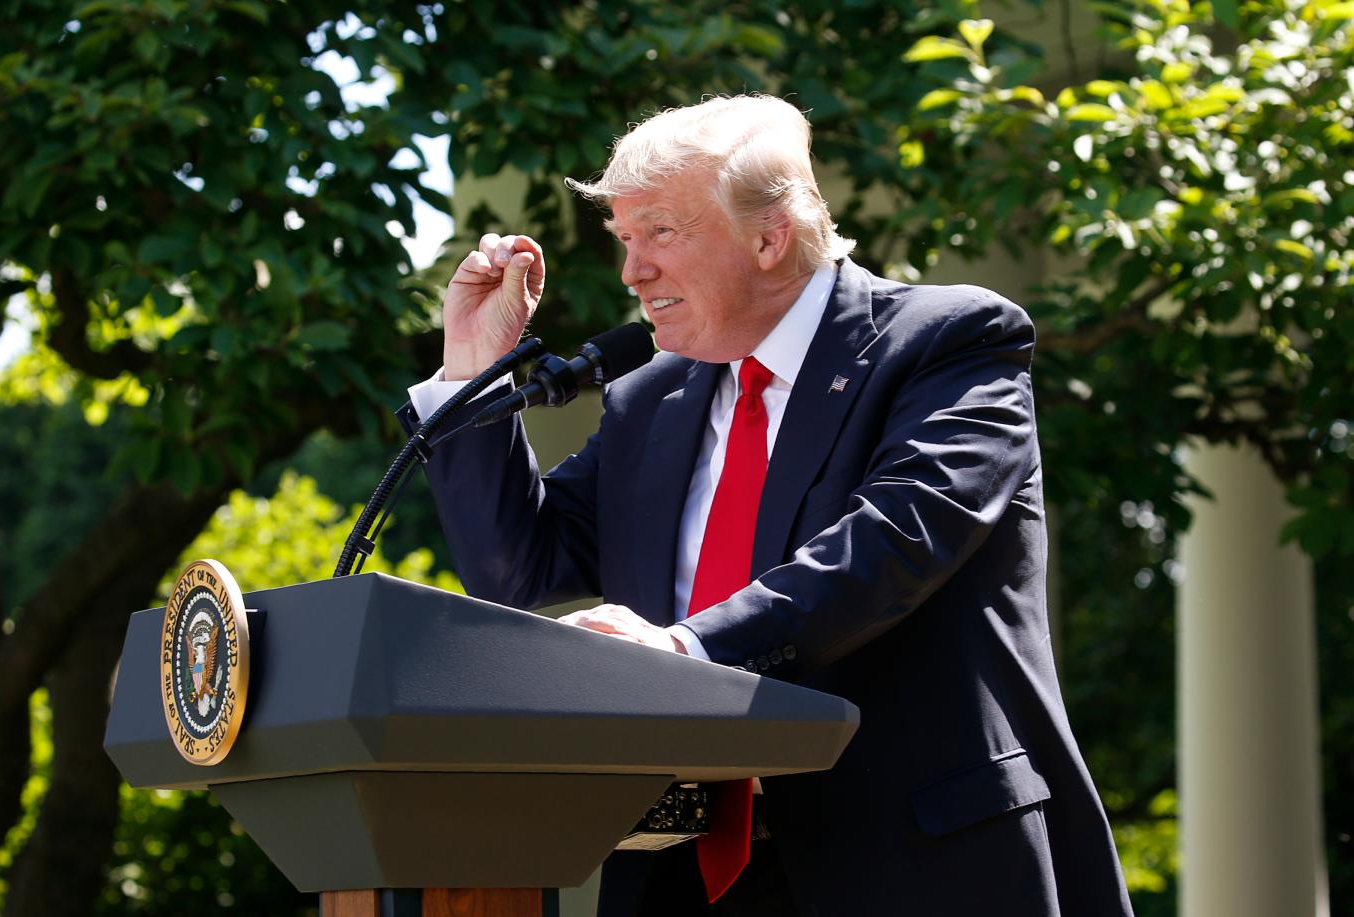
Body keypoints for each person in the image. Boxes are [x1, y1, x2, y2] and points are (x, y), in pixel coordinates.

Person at [401, 95, 1132, 917]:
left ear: (769, 235)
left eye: (662, 234)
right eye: (626, 240)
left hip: (912, 866)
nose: (632, 271)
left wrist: (680, 651)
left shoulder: (949, 342)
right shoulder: (651, 402)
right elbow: (517, 570)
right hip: (679, 878)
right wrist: (469, 372)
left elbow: (891, 544)